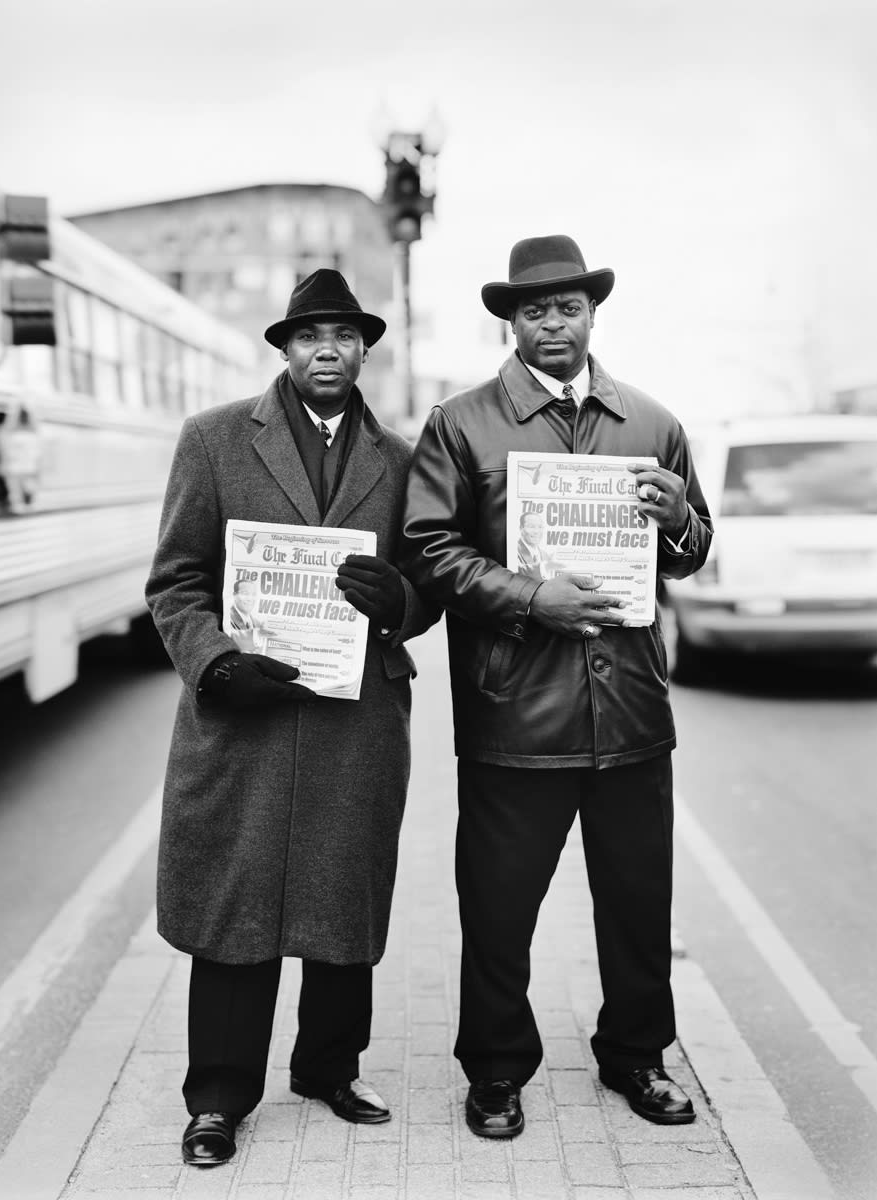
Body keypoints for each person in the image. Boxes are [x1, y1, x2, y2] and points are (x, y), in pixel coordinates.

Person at [400, 235, 713, 1139]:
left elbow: (691, 553)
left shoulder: (652, 423)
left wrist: (678, 518)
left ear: (591, 314)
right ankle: (496, 1069)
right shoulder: (460, 424)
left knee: (637, 903)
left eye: (567, 307)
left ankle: (637, 1055)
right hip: (515, 714)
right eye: (533, 310)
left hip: (631, 712)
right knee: (498, 911)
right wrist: (530, 597)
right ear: (511, 322)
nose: (551, 324)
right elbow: (428, 549)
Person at [147, 269, 436, 1167]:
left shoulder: (402, 461)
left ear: (364, 350)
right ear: (285, 348)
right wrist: (215, 662)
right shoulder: (214, 439)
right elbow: (175, 581)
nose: (327, 350)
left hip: (355, 720)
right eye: (309, 336)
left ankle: (328, 1068)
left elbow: (431, 582)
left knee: (342, 899)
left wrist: (401, 601)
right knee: (235, 904)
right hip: (246, 720)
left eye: (343, 336)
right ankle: (217, 1097)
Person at [515, 509, 552, 580]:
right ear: (521, 528)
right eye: (531, 526)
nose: (536, 531)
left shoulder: (545, 555)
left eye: (540, 527)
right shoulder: (513, 551)